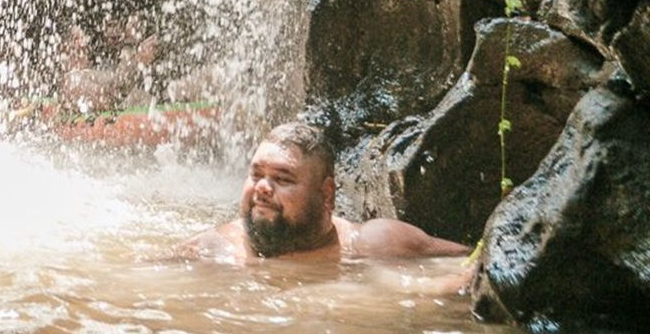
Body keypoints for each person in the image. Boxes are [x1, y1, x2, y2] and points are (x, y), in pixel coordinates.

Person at [186, 121, 471, 264]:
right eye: (256, 175)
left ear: (327, 194)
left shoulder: (374, 245)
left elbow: (473, 264)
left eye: (282, 178)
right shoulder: (213, 249)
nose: (262, 187)